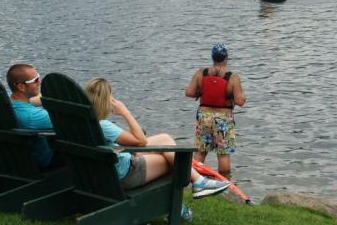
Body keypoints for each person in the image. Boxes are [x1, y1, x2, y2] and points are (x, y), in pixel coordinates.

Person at [85, 77, 229, 202]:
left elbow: (137, 140)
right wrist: (124, 112)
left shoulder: (84, 122)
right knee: (176, 161)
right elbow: (141, 141)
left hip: (106, 168)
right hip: (126, 173)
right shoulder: (103, 125)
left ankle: (198, 181)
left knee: (165, 139)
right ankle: (181, 202)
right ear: (105, 101)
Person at [185, 43, 246, 182]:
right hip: (223, 118)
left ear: (212, 57)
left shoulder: (201, 73)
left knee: (200, 152)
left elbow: (189, 92)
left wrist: (201, 92)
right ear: (226, 58)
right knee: (223, 155)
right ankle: (225, 184)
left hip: (204, 116)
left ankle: (195, 181)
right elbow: (240, 101)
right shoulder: (232, 77)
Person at [6, 62, 61, 170]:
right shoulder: (34, 117)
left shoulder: (6, 100)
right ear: (21, 86)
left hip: (15, 159)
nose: (39, 82)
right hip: (46, 161)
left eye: (39, 78)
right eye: (35, 80)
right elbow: (69, 123)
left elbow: (32, 100)